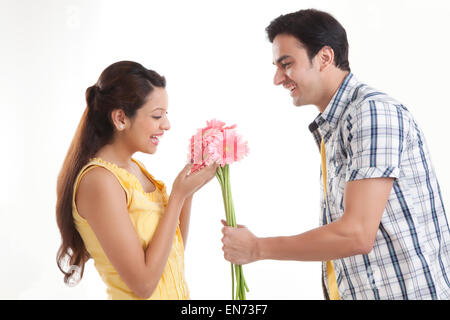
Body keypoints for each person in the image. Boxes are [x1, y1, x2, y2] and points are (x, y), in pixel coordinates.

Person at [221, 9, 450, 300]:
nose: (278, 79)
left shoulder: (372, 112)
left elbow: (356, 234)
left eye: (286, 64)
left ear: (325, 58)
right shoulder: (336, 125)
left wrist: (258, 248)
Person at [56, 61, 217, 300]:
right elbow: (143, 286)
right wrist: (178, 195)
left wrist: (189, 191)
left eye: (166, 114)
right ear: (120, 118)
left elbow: (174, 251)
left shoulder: (135, 169)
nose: (167, 125)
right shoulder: (99, 181)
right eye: (157, 116)